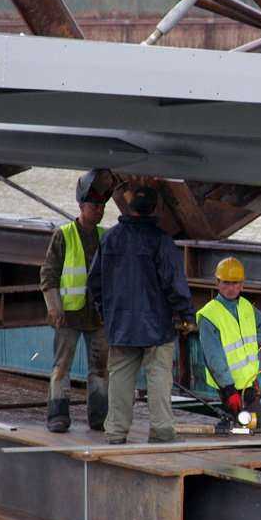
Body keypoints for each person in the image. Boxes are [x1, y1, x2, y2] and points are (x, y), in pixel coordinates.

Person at [87, 187, 195, 444]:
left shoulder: (111, 238)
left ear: (129, 208)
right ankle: (161, 431)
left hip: (120, 323)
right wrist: (186, 314)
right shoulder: (161, 240)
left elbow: (95, 282)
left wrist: (107, 312)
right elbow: (174, 282)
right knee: (158, 376)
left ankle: (115, 432)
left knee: (121, 377)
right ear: (155, 209)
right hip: (156, 324)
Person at [39, 169, 114, 433]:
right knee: (61, 367)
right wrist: (54, 307)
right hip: (68, 315)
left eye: (102, 206)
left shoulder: (107, 237)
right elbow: (49, 274)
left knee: (100, 370)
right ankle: (57, 415)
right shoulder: (64, 235)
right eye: (94, 205)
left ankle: (100, 417)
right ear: (81, 206)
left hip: (98, 317)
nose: (99, 210)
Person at [196, 257, 261, 430]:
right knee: (254, 429)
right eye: (226, 283)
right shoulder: (209, 316)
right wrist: (228, 390)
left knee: (257, 429)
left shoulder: (245, 306)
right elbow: (214, 357)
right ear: (217, 283)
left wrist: (254, 342)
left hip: (248, 384)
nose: (231, 288)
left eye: (235, 283)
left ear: (242, 285)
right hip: (229, 387)